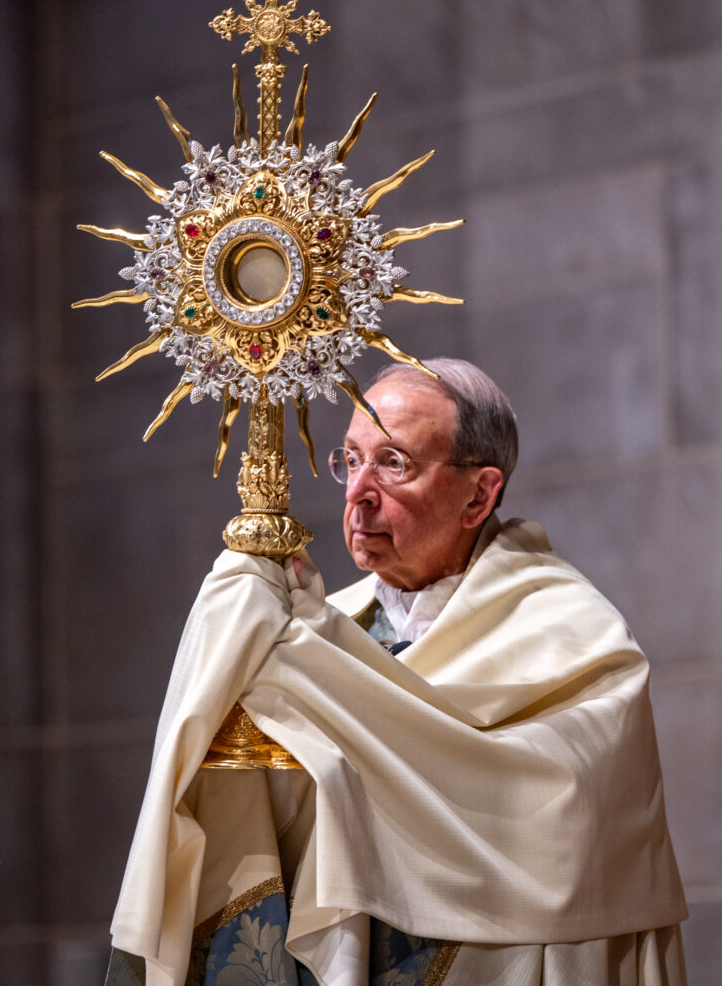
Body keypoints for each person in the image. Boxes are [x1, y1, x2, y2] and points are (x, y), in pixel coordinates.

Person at [106, 359, 688, 986]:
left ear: (479, 494)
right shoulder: (319, 635)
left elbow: (567, 829)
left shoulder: (573, 636)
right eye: (351, 460)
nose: (358, 491)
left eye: (393, 464)